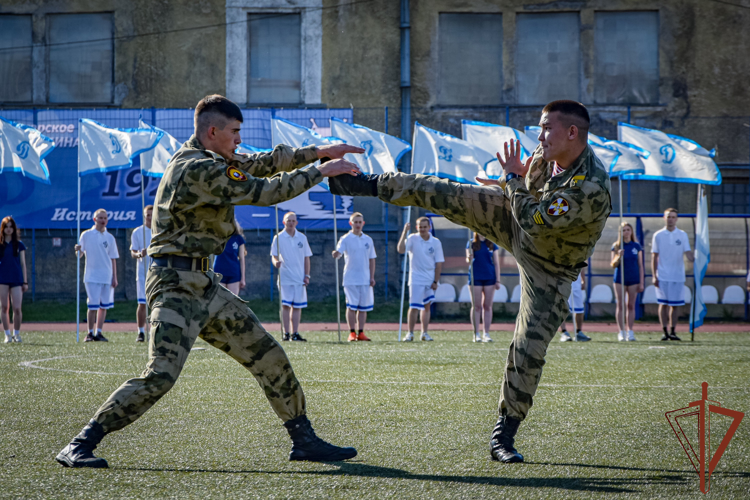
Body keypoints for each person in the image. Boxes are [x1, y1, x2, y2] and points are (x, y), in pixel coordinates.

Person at [56, 94, 364, 469]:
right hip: (174, 284)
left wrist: (319, 151)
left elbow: (263, 163)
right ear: (213, 131)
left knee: (269, 354)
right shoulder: (197, 168)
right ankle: (80, 443)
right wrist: (321, 171)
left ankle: (304, 440)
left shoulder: (215, 158)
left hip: (203, 282)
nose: (239, 140)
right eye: (234, 132)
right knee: (160, 375)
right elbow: (263, 192)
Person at [330, 100, 611, 463]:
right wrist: (511, 181)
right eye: (540, 128)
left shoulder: (591, 186)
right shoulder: (545, 155)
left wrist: (511, 179)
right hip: (514, 218)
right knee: (444, 191)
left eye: (547, 129)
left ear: (573, 133)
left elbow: (535, 217)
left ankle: (503, 437)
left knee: (528, 349)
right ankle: (361, 183)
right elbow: (524, 194)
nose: (540, 136)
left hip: (550, 268)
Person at [75, 209, 119, 343]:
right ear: (95, 219)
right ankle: (89, 332)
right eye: (100, 218)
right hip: (92, 276)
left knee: (103, 306)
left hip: (106, 276)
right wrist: (77, 250)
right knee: (92, 305)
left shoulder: (110, 237)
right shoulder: (86, 235)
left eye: (105, 218)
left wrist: (114, 277)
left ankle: (99, 332)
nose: (103, 220)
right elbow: (80, 254)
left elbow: (113, 258)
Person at [397, 217, 444, 342]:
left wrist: (435, 281)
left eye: (425, 226)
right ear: (417, 227)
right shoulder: (413, 238)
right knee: (413, 306)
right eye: (420, 226)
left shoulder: (436, 242)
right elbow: (401, 250)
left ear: (429, 227)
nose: (422, 229)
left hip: (429, 279)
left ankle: (424, 333)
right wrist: (404, 232)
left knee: (426, 306)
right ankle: (410, 333)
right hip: (416, 278)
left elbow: (439, 263)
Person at [332, 212, 376, 342]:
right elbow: (339, 252)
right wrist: (336, 254)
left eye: (359, 222)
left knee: (363, 307)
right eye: (355, 222)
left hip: (365, 278)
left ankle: (361, 332)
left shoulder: (368, 240)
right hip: (350, 278)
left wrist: (372, 276)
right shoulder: (345, 238)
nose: (357, 224)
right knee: (351, 306)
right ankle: (352, 332)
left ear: (363, 223)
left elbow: (372, 259)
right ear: (351, 223)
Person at [651, 208, 694, 341]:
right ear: (664, 218)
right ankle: (664, 331)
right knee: (663, 304)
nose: (671, 219)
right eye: (669, 216)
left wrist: (697, 257)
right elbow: (654, 256)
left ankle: (673, 331)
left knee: (675, 305)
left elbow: (688, 253)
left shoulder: (682, 235)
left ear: (677, 219)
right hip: (662, 275)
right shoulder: (658, 235)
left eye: (673, 217)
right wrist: (654, 275)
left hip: (677, 275)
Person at [271, 212, 311, 342]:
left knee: (297, 306)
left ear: (297, 223)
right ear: (284, 222)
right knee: (285, 306)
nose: (291, 223)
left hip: (299, 278)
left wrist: (307, 275)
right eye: (289, 220)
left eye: (293, 221)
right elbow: (274, 255)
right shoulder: (278, 237)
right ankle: (286, 333)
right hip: (285, 277)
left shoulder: (302, 238)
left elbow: (306, 258)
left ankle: (295, 333)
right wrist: (276, 262)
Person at [611, 222, 644, 342]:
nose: (626, 232)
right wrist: (618, 256)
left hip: (633, 278)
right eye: (623, 230)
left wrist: (641, 282)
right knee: (620, 305)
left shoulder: (636, 246)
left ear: (631, 231)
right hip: (620, 279)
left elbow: (640, 265)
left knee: (631, 305)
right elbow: (613, 265)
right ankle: (621, 331)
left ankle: (630, 331)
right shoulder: (616, 246)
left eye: (628, 230)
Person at [465, 232, 500, 343]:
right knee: (476, 306)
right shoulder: (471, 243)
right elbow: (468, 260)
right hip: (476, 277)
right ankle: (476, 333)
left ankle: (486, 333)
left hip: (489, 277)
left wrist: (498, 280)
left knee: (488, 306)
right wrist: (469, 258)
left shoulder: (492, 244)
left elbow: (496, 263)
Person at [0, 216, 28, 343]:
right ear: (3, 228)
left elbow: (23, 263)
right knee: (4, 307)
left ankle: (16, 334)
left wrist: (25, 281)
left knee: (17, 308)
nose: (9, 229)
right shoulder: (0, 244)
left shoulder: (19, 244)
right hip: (2, 279)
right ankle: (7, 335)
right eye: (6, 227)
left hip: (16, 279)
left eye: (11, 227)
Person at [130, 205, 153, 343]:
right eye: (147, 215)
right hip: (143, 271)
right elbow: (133, 252)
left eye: (151, 214)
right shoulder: (138, 232)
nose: (149, 217)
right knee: (142, 303)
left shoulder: (160, 231)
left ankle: (154, 331)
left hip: (157, 272)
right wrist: (139, 254)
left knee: (157, 304)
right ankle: (141, 331)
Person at [214, 218, 246, 295]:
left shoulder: (238, 238)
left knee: (232, 302)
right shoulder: (217, 237)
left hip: (234, 274)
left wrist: (243, 278)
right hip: (219, 273)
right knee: (220, 302)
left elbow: (242, 259)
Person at [558, 270, 588, 342]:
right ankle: (564, 332)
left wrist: (583, 279)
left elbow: (581, 264)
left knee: (579, 308)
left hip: (576, 283)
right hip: (563, 280)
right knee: (561, 307)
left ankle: (578, 332)